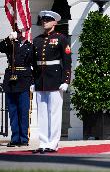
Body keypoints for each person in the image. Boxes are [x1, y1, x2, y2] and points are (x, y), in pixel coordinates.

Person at [32, 10, 72, 154]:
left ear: (55, 22)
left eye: (48, 20)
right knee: (42, 114)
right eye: (43, 20)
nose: (45, 22)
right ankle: (43, 142)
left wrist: (66, 80)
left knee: (54, 113)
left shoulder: (61, 38)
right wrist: (32, 80)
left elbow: (67, 62)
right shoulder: (36, 40)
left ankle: (53, 143)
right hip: (40, 80)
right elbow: (32, 62)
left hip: (55, 79)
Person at [0, 31, 33, 147]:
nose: (21, 33)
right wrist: (8, 38)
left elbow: (34, 64)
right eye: (20, 31)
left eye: (23, 30)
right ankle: (15, 138)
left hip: (24, 80)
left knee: (23, 111)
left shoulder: (30, 46)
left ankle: (24, 138)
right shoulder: (12, 44)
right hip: (11, 81)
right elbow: (1, 47)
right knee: (13, 112)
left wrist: (33, 82)